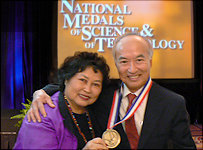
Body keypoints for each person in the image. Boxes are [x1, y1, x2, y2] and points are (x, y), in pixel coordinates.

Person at [27, 33, 196, 149]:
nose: (132, 69)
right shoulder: (103, 96)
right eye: (124, 61)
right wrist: (42, 92)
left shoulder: (173, 103)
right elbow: (74, 91)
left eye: (139, 60)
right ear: (116, 64)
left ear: (150, 62)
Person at [14, 52, 110, 149]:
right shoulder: (42, 114)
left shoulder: (95, 110)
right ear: (66, 79)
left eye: (96, 84)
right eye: (82, 80)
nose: (87, 89)